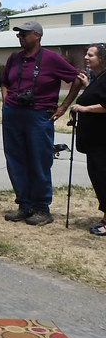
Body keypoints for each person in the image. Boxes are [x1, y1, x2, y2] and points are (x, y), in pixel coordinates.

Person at [0, 20, 84, 226]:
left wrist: (63, 107)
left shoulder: (51, 58)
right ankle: (24, 205)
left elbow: (77, 79)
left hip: (38, 115)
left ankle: (41, 208)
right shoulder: (14, 58)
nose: (20, 38)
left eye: (24, 34)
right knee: (15, 159)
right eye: (18, 35)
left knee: (39, 160)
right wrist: (6, 100)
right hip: (13, 114)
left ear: (37, 35)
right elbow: (4, 81)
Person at [69, 43, 106, 235]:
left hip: (102, 141)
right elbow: (98, 96)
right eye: (86, 54)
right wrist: (87, 86)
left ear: (102, 58)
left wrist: (84, 109)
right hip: (94, 140)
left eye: (91, 55)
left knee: (103, 177)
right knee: (98, 177)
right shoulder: (99, 78)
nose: (86, 57)